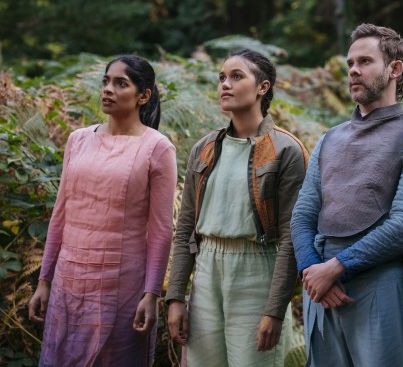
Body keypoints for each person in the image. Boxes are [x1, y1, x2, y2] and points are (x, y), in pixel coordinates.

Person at [290, 23, 403, 366]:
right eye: (350, 63)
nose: (353, 70)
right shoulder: (330, 138)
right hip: (320, 285)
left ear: (395, 69)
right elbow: (303, 213)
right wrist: (311, 269)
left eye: (365, 61)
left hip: (378, 283)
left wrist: (337, 268)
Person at [28, 55, 177, 366]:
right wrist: (44, 280)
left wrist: (151, 294)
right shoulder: (78, 140)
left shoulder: (157, 147)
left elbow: (161, 230)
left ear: (143, 95)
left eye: (121, 83)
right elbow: (61, 215)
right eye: (106, 81)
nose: (108, 89)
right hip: (69, 279)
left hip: (121, 284)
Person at [165, 48, 308, 366]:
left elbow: (291, 237)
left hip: (257, 274)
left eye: (236, 76)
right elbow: (186, 227)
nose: (225, 84)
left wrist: (275, 310)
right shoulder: (204, 148)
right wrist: (175, 296)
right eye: (222, 78)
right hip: (206, 273)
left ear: (262, 87)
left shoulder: (286, 150)